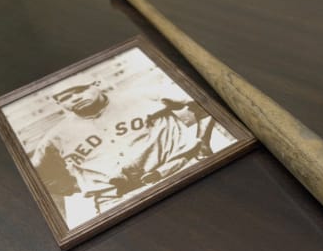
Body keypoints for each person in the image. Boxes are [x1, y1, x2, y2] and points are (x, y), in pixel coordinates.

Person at [31, 77, 215, 215]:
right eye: (66, 97)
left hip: (179, 171)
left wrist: (201, 141)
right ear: (58, 103)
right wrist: (74, 188)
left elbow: (203, 99)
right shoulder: (55, 138)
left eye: (79, 90)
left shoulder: (143, 96)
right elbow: (40, 176)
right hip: (117, 200)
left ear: (96, 84)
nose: (75, 98)